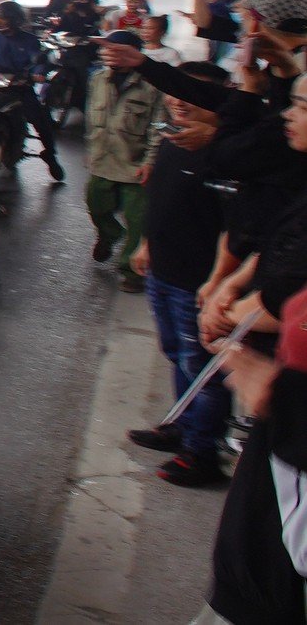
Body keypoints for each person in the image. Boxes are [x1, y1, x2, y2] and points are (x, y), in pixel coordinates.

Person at [124, 61, 232, 488]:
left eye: (192, 95)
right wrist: (146, 244)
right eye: (175, 93)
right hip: (163, 273)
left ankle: (202, 452)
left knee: (204, 369)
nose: (178, 101)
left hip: (198, 282)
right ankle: (182, 426)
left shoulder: (227, 155)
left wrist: (218, 282)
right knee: (176, 354)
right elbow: (162, 200)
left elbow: (235, 229)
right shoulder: (173, 140)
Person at [83, 28, 165, 292]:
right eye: (106, 50)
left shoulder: (152, 85)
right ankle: (109, 234)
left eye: (115, 50)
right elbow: (90, 117)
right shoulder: (97, 79)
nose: (109, 55)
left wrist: (151, 161)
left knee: (138, 219)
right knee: (96, 206)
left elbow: (158, 126)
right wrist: (90, 147)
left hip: (135, 163)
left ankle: (131, 272)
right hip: (102, 159)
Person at [0, 0, 65, 181]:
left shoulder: (30, 40)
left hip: (20, 88)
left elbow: (38, 61)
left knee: (40, 119)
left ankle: (50, 155)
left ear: (15, 20)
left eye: (4, 19)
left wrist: (37, 73)